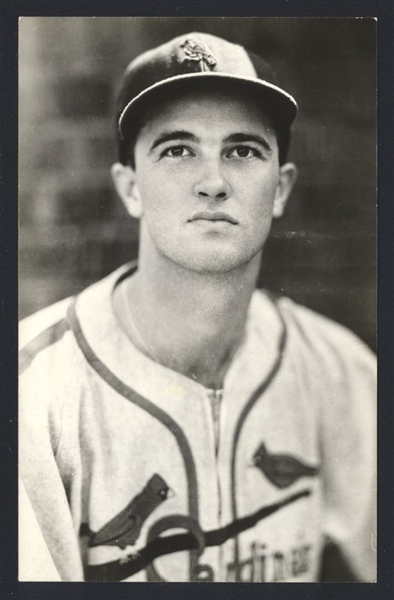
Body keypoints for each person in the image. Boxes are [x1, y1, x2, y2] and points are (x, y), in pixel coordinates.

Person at [19, 32, 376, 583]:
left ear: (280, 189)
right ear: (130, 187)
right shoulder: (33, 395)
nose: (213, 182)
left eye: (242, 150)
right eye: (178, 149)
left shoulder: (341, 372)